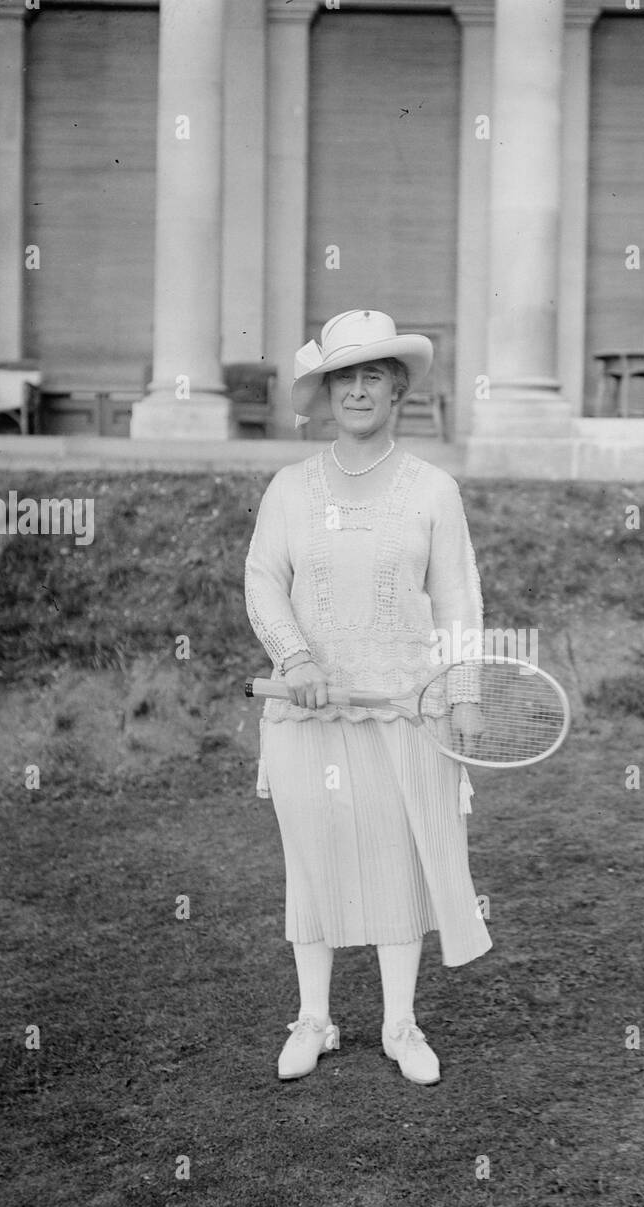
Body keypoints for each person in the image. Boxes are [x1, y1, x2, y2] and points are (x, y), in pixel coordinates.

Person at [244, 310, 491, 1087]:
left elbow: (458, 599)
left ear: (398, 393)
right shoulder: (289, 489)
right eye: (344, 378)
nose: (357, 391)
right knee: (311, 860)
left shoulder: (432, 490)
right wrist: (297, 656)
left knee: (397, 857)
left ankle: (399, 1023)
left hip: (405, 712)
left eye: (373, 378)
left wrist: (466, 692)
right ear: (325, 394)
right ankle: (314, 1019)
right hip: (306, 712)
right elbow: (262, 583)